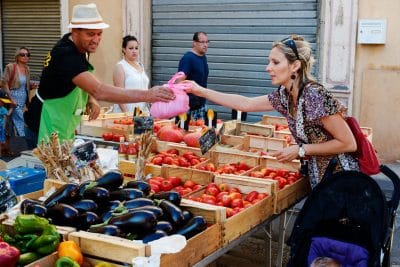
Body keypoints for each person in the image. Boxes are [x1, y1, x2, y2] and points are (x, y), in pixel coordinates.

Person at [183, 34, 358, 187]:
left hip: (341, 180)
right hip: (320, 179)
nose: (268, 68)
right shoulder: (285, 95)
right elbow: (246, 104)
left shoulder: (314, 95)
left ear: (295, 66)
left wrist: (301, 150)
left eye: (275, 62)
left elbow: (348, 143)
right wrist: (200, 90)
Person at [24, 3, 174, 145]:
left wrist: (90, 99)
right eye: (90, 34)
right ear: (75, 31)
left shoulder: (77, 46)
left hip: (62, 122)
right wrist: (147, 95)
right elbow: (99, 90)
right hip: (43, 124)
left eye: (99, 34)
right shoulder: (67, 54)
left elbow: (78, 79)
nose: (96, 40)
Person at [1, 46, 37, 155]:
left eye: (27, 55)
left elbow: (22, 84)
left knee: (10, 124)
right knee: (23, 123)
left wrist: (31, 86)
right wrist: (11, 98)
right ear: (17, 56)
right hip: (13, 98)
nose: (25, 56)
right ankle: (31, 148)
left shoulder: (27, 69)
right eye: (22, 54)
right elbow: (3, 82)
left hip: (23, 99)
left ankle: (5, 148)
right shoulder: (11, 67)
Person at [112, 35, 150, 115]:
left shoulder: (140, 65)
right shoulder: (120, 66)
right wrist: (127, 114)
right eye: (131, 48)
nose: (134, 51)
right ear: (124, 49)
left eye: (136, 48)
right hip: (126, 112)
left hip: (142, 112)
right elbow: (118, 95)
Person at [176, 31, 209, 121]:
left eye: (207, 42)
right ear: (194, 43)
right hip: (189, 108)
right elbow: (178, 82)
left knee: (201, 133)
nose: (205, 45)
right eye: (202, 42)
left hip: (201, 105)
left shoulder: (203, 57)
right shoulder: (188, 58)